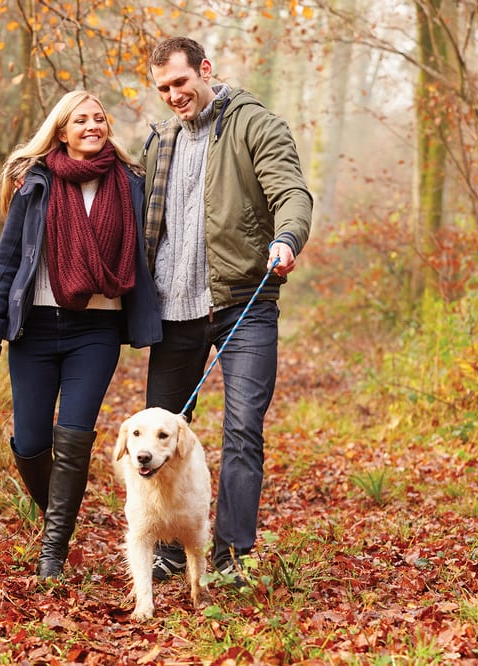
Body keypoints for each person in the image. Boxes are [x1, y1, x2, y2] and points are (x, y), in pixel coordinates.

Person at [140, 37, 313, 582]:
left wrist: (287, 238)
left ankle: (232, 556)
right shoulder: (158, 142)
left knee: (242, 430)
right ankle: (169, 548)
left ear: (205, 70)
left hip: (245, 304)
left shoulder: (255, 125)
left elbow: (292, 192)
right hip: (174, 312)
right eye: (163, 88)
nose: (173, 95)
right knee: (158, 440)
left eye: (180, 82)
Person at [0, 90, 161, 580]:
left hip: (95, 331)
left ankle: (53, 551)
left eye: (99, 119)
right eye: (81, 120)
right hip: (34, 330)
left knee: (73, 438)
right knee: (31, 441)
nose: (92, 126)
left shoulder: (131, 183)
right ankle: (61, 511)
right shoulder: (35, 184)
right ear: (62, 131)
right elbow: (7, 260)